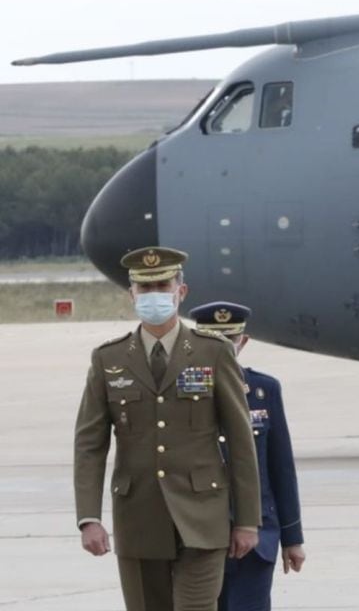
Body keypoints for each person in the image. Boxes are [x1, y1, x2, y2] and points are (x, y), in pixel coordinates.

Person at [74, 247, 261, 611]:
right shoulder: (108, 359)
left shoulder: (214, 352)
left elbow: (241, 442)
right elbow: (90, 444)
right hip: (138, 517)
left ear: (181, 291)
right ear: (131, 295)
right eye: (144, 289)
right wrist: (89, 518)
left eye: (162, 285)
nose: (153, 296)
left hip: (203, 517)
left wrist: (248, 520)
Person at [188, 302, 307, 611]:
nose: (224, 348)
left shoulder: (263, 390)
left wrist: (292, 538)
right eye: (215, 341)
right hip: (200, 537)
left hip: (258, 537)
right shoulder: (183, 391)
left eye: (231, 340)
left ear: (244, 341)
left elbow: (281, 468)